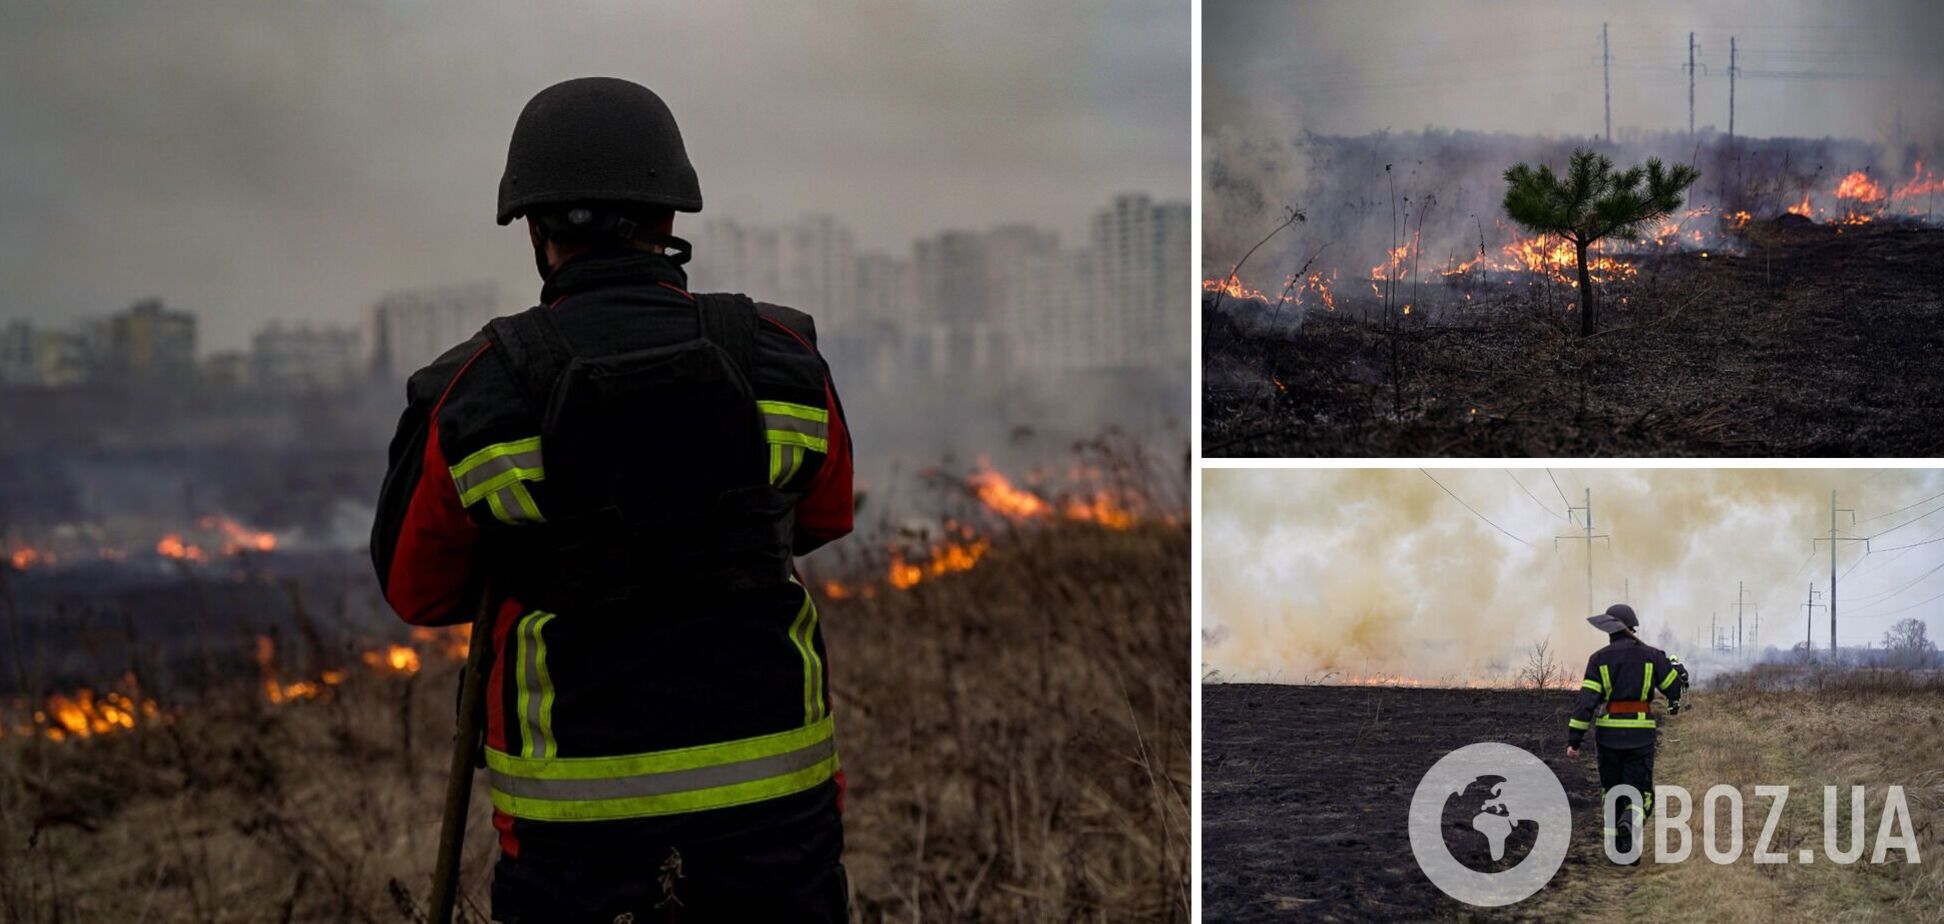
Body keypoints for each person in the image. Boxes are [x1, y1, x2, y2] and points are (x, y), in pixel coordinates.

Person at [371, 76, 855, 922]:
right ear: (671, 215)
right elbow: (822, 517)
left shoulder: (475, 394)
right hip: (777, 805)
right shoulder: (783, 358)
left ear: (534, 228)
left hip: (570, 832)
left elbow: (422, 592)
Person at [1565, 603, 1689, 863]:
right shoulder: (1652, 656)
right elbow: (1673, 689)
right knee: (1641, 792)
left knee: (1611, 791)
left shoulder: (1599, 659)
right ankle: (1629, 824)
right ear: (1632, 628)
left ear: (1610, 631)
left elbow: (1586, 702)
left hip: (1608, 735)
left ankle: (1619, 852)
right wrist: (1674, 672)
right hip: (1640, 735)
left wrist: (1574, 739)